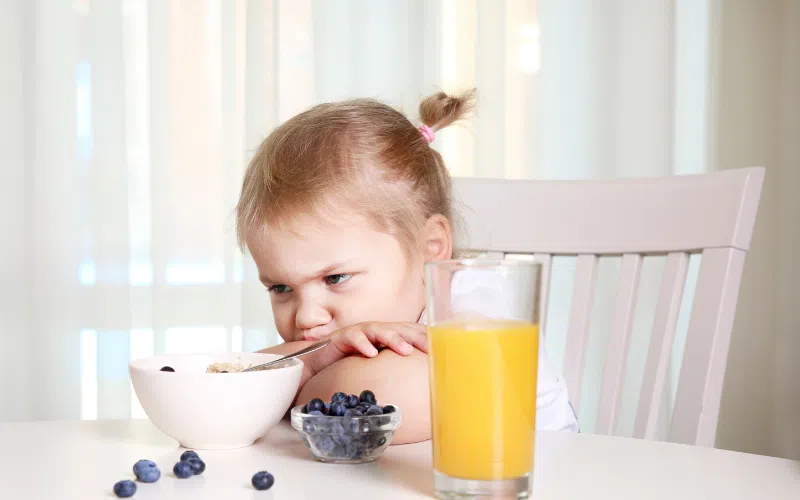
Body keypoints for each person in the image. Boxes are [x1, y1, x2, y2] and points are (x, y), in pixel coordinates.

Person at [235, 89, 578, 444]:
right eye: (280, 288)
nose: (306, 317)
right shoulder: (334, 334)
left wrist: (292, 380)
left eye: (335, 278)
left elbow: (400, 399)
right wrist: (316, 359)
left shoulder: (474, 303)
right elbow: (223, 386)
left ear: (430, 250)